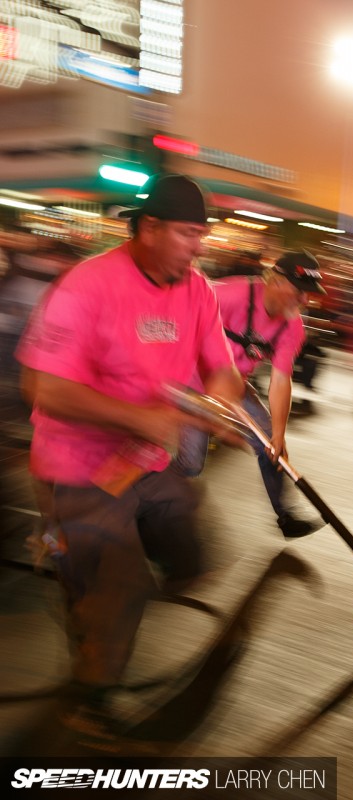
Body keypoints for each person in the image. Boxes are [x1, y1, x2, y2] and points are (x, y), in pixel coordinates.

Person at [15, 174, 244, 741]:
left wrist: (219, 405)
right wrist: (141, 418)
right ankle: (88, 701)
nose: (198, 247)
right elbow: (43, 389)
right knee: (118, 588)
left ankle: (86, 570)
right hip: (78, 467)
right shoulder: (86, 286)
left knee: (191, 543)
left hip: (147, 462)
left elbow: (223, 367)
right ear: (149, 228)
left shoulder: (197, 290)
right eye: (188, 234)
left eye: (202, 235)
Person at [175, 250, 327, 538]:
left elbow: (281, 379)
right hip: (191, 381)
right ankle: (149, 500)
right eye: (300, 291)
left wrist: (279, 434)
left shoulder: (292, 326)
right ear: (277, 281)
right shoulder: (230, 295)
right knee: (191, 464)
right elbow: (181, 319)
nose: (305, 300)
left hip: (234, 386)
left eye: (308, 294)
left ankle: (286, 516)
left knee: (271, 445)